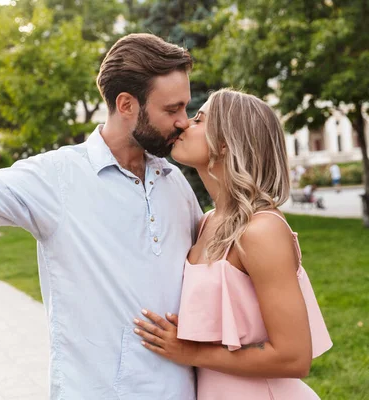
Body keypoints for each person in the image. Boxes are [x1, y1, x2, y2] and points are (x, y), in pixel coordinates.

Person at [0, 34, 202, 399]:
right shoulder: (57, 176)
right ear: (126, 105)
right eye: (173, 110)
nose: (184, 121)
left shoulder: (175, 184)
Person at [132, 89, 332, 399]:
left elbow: (294, 356)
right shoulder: (206, 222)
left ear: (225, 143)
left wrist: (189, 353)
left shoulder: (261, 230)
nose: (184, 124)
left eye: (199, 119)